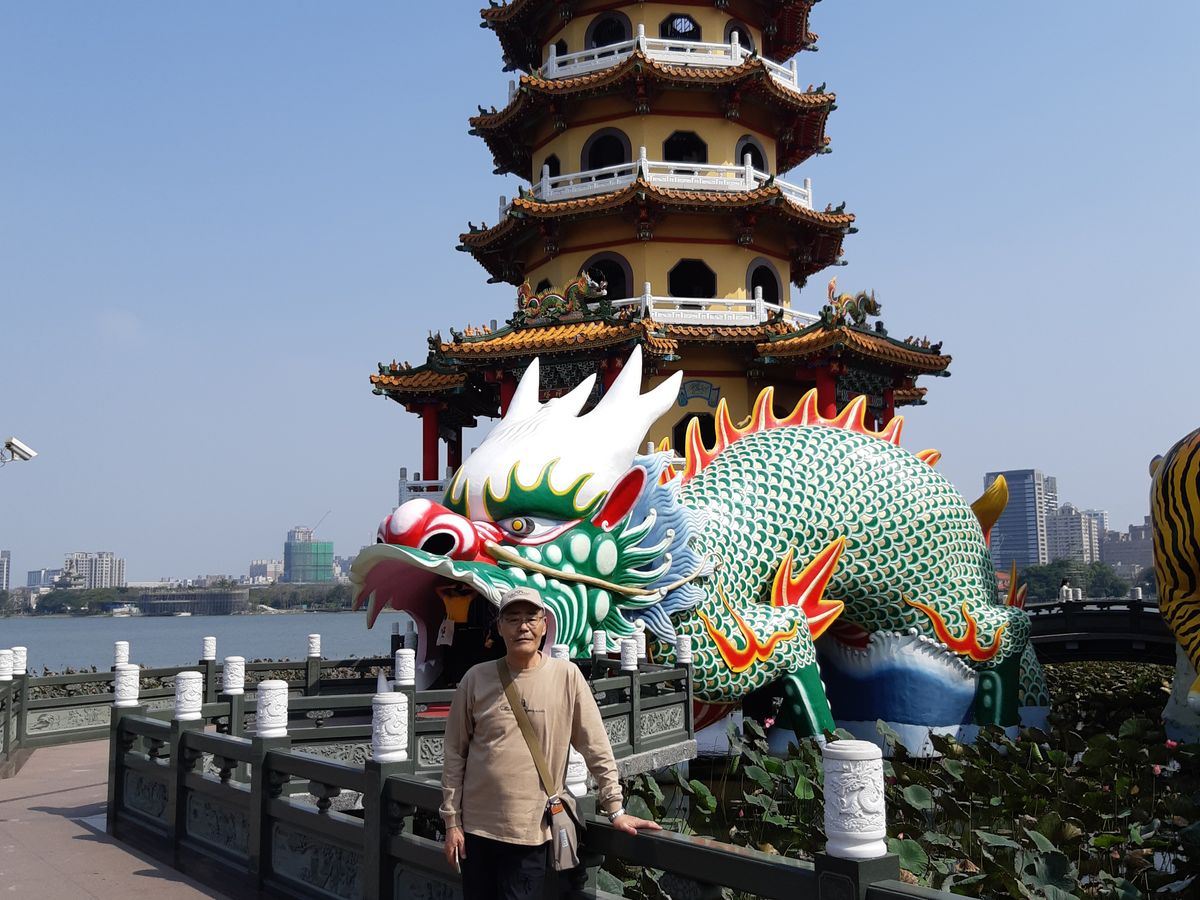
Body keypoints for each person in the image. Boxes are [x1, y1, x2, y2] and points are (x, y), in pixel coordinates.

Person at [441, 586, 661, 899]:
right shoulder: (475, 679)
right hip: (476, 834)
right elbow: (454, 753)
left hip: (530, 834)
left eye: (531, 618)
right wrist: (452, 822)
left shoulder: (567, 676)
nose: (523, 626)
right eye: (513, 619)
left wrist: (615, 808)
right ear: (499, 627)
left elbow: (596, 747)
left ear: (544, 625)